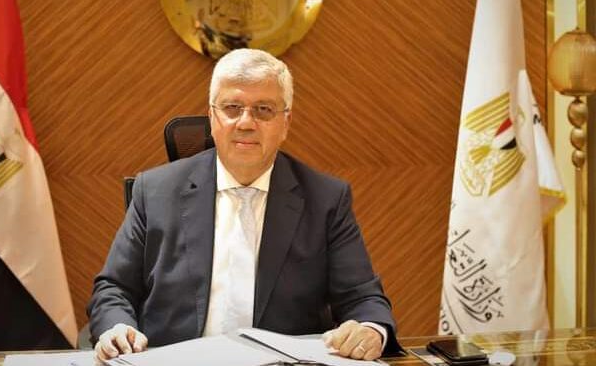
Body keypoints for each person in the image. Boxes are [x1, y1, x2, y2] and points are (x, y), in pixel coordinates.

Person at [87, 48, 400, 363]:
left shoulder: (326, 199)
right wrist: (117, 328)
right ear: (213, 117)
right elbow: (114, 289)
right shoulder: (155, 191)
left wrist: (370, 330)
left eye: (263, 109)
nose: (246, 123)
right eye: (232, 108)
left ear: (286, 122)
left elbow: (364, 299)